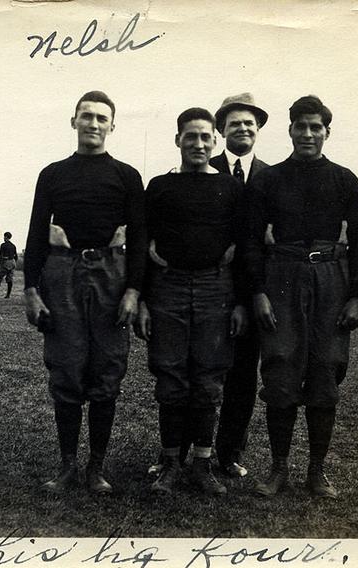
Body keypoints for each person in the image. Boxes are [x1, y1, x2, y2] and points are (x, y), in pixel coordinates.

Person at [23, 91, 145, 495]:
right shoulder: (53, 174)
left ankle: (96, 468)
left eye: (101, 118)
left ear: (113, 125)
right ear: (72, 121)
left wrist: (133, 291)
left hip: (111, 273)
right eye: (86, 117)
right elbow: (37, 233)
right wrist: (30, 290)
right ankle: (67, 466)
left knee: (107, 369)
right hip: (62, 274)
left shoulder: (127, 176)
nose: (93, 124)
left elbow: (140, 239)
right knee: (67, 367)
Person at [248, 96, 358, 499]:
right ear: (290, 130)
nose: (308, 134)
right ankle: (279, 467)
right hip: (282, 274)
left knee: (326, 367)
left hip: (331, 277)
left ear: (327, 132)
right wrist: (258, 293)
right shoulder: (268, 179)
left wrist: (356, 296)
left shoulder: (346, 179)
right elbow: (251, 241)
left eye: (316, 127)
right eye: (301, 126)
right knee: (280, 366)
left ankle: (317, 471)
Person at [135, 107, 248, 496]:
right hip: (168, 288)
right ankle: (169, 463)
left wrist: (239, 302)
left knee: (208, 380)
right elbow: (143, 247)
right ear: (178, 140)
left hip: (217, 289)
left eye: (205, 137)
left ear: (215, 140)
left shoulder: (233, 189)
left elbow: (244, 248)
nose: (198, 143)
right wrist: (145, 300)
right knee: (170, 378)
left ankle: (202, 463)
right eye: (190, 136)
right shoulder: (159, 187)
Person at [210, 93, 270, 478]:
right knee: (197, 373)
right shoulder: (203, 167)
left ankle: (229, 453)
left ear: (259, 128)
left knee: (243, 376)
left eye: (250, 123)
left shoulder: (272, 174)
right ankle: (180, 453)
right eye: (234, 123)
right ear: (221, 130)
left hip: (254, 294)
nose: (243, 129)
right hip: (208, 288)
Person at [0, 231, 18, 298]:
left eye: (4, 236)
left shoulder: (3, 245)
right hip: (13, 262)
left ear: (6, 237)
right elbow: (16, 256)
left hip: (6, 262)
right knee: (9, 279)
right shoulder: (13, 246)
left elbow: (0, 255)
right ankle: (8, 295)